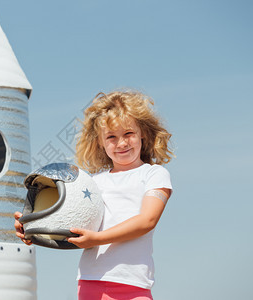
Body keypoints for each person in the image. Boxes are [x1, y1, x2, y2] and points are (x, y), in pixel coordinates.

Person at [14, 90, 174, 300]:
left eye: (128, 134)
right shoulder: (91, 182)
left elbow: (147, 220)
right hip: (91, 282)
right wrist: (35, 230)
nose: (122, 143)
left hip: (134, 283)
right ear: (99, 141)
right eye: (111, 137)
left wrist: (97, 239)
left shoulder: (154, 174)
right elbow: (71, 224)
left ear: (142, 132)